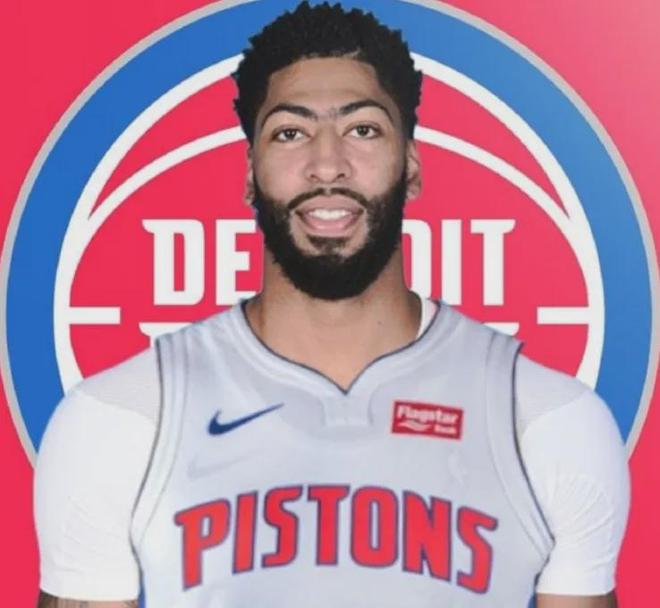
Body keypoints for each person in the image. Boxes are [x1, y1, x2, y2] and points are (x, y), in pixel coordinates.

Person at [35, 2, 629, 607]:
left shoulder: (547, 423)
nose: (326, 165)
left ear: (412, 165)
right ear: (250, 172)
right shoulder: (121, 420)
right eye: (290, 133)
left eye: (362, 129)